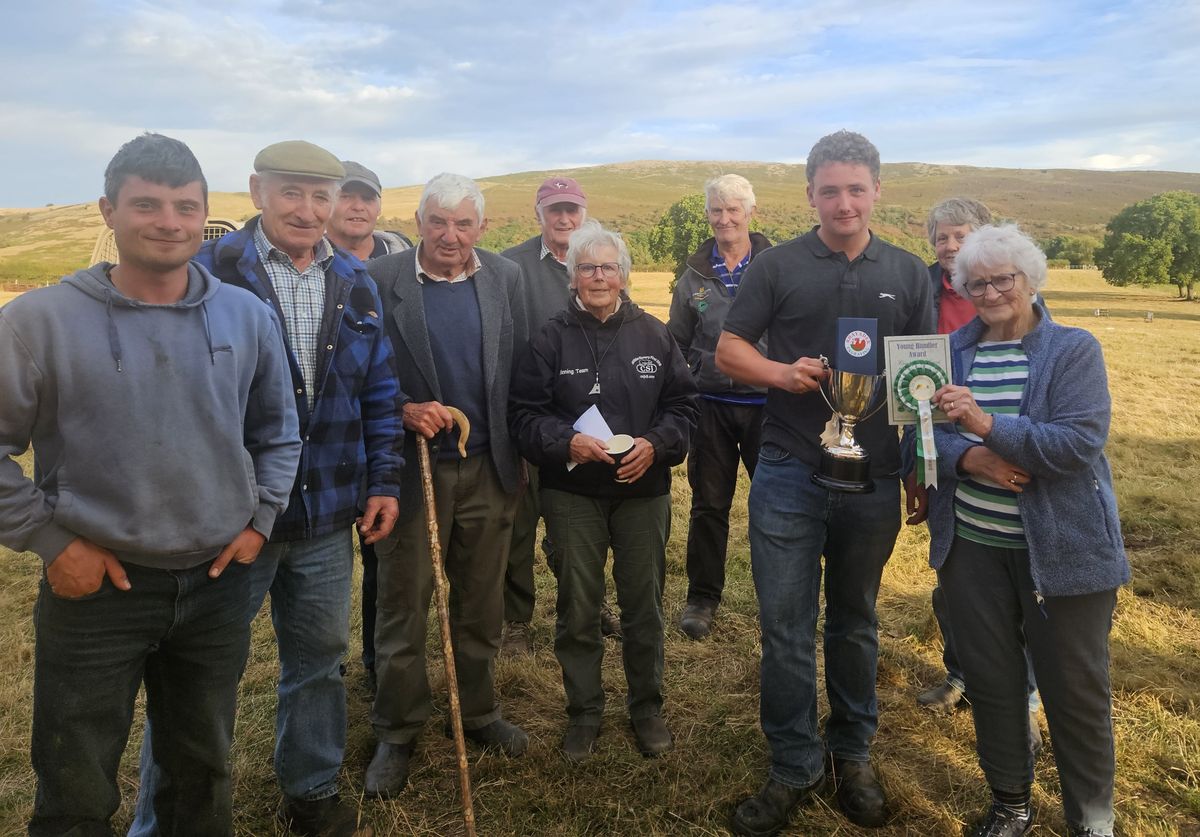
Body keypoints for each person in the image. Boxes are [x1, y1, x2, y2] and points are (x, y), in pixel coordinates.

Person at [0, 133, 301, 836]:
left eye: (184, 206)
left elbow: (279, 432)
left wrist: (259, 520)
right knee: (75, 785)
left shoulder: (246, 317)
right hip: (96, 588)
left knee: (201, 773)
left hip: (216, 588)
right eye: (147, 204)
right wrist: (50, 540)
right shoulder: (38, 321)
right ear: (109, 209)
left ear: (204, 216)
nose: (168, 220)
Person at [136, 140, 404, 837]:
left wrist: (383, 480)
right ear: (257, 191)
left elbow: (379, 392)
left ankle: (311, 789)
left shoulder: (357, 281)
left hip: (325, 517)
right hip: (228, 519)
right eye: (291, 192)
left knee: (318, 661)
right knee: (197, 675)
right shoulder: (209, 273)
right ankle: (168, 815)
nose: (308, 210)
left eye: (322, 196)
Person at [716, 130, 932, 834]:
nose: (843, 201)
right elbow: (727, 349)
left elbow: (923, 386)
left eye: (856, 189)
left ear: (877, 193)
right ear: (810, 195)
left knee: (856, 620)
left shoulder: (909, 271)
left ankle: (852, 752)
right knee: (783, 627)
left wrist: (922, 468)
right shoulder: (776, 266)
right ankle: (793, 763)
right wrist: (781, 373)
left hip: (875, 477)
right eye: (830, 189)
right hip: (787, 469)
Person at [926, 224, 1128, 837]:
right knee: (993, 683)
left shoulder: (1073, 349)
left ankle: (1091, 819)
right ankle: (1010, 802)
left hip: (1064, 552)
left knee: (1075, 693)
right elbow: (922, 429)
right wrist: (967, 458)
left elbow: (1077, 443)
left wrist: (987, 428)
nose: (989, 293)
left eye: (1002, 279)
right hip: (972, 549)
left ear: (1031, 280)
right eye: (976, 282)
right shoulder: (952, 351)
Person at [364, 172, 529, 797]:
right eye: (439, 222)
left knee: (481, 599)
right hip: (413, 469)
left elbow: (518, 371)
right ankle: (398, 729)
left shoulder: (504, 279)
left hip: (489, 465)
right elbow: (363, 372)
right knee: (404, 601)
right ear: (419, 222)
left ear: (481, 228)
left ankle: (478, 710)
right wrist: (404, 407)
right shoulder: (382, 283)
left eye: (464, 223)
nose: (450, 235)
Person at [509, 220, 698, 761]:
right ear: (571, 276)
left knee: (644, 606)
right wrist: (566, 442)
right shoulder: (549, 338)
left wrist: (656, 445)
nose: (597, 276)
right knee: (578, 606)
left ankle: (646, 709)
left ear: (624, 275)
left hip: (644, 490)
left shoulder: (654, 334)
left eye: (607, 267)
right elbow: (523, 416)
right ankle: (584, 712)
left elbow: (684, 407)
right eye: (586, 267)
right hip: (573, 495)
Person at [499, 177, 622, 653]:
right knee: (520, 521)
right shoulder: (512, 265)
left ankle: (591, 605)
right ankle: (515, 619)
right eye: (555, 211)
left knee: (581, 522)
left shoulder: (600, 258)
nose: (564, 219)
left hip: (590, 420)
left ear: (584, 213)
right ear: (539, 214)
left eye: (572, 210)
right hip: (529, 416)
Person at [668, 173, 770, 640]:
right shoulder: (692, 278)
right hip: (709, 406)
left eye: (733, 209)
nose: (724, 218)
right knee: (709, 506)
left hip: (771, 406)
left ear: (751, 212)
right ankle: (702, 598)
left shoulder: (777, 266)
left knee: (776, 507)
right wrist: (692, 373)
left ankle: (781, 595)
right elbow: (676, 341)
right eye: (716, 210)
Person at [325, 159, 412, 693]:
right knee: (328, 561)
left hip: (386, 428)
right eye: (348, 196)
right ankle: (323, 665)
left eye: (367, 197)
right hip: (331, 438)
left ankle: (379, 662)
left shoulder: (399, 257)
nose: (358, 207)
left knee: (384, 558)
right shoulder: (312, 262)